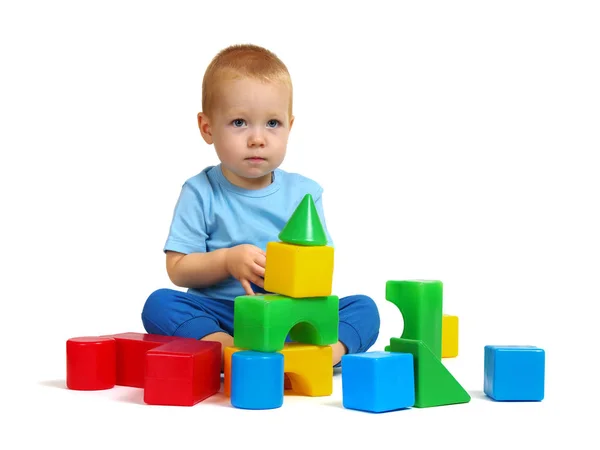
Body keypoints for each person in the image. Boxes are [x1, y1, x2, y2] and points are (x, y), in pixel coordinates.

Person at [141, 43, 380, 367]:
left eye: (272, 124)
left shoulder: (304, 193)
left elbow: (319, 268)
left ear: (290, 127)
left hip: (289, 320)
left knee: (365, 309)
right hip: (222, 314)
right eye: (239, 122)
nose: (257, 138)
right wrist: (227, 260)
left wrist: (288, 284)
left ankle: (322, 355)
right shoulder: (200, 191)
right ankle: (227, 350)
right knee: (158, 305)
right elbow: (178, 269)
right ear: (207, 128)